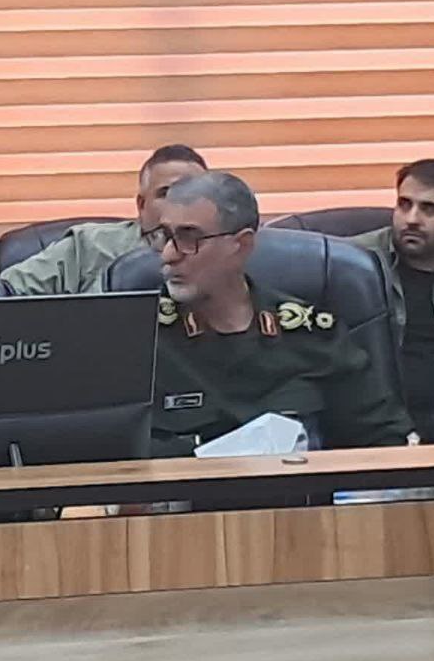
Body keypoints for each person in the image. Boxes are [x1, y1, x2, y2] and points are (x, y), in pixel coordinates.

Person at [147, 172, 412, 457]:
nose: (168, 255)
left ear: (241, 245)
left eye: (189, 238)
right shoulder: (141, 337)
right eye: (164, 236)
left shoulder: (311, 335)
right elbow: (119, 450)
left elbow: (382, 440)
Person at [349, 160, 434, 438]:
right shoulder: (346, 265)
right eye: (404, 204)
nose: (412, 219)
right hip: (372, 432)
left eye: (429, 209)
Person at [0, 144, 207, 295]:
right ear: (142, 205)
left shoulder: (220, 251)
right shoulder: (88, 245)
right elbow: (4, 290)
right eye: (166, 193)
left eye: (192, 193)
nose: (179, 204)